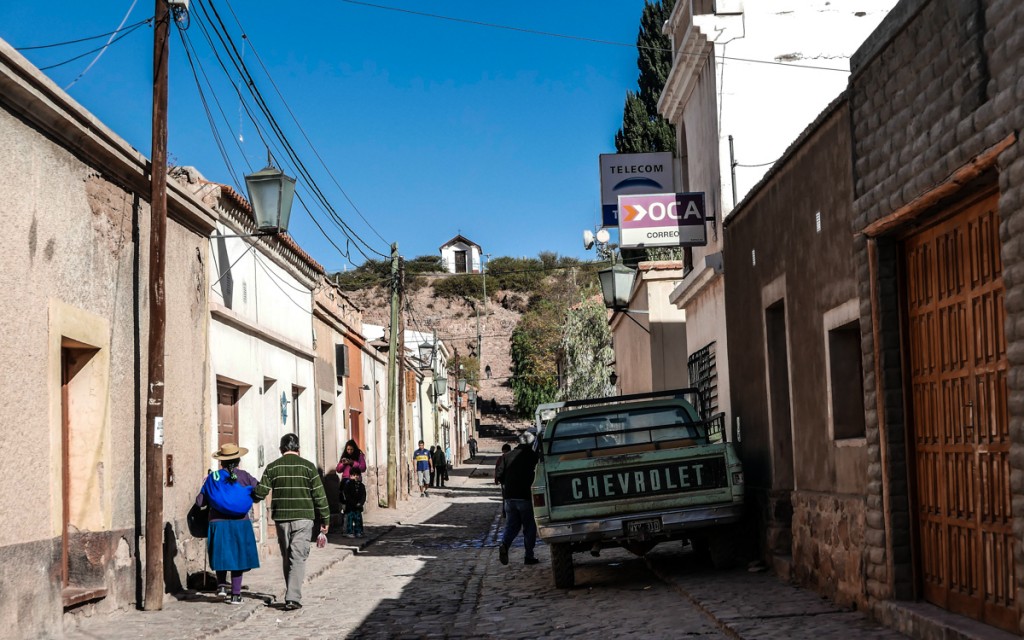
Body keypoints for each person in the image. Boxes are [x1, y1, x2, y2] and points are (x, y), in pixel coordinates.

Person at [252, 433, 330, 611]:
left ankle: (291, 593)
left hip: (281, 519)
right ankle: (293, 597)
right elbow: (320, 496)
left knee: (288, 555)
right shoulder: (308, 468)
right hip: (303, 518)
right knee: (298, 555)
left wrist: (245, 493)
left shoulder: (273, 468)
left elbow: (260, 493)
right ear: (298, 450)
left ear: (281, 450)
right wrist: (325, 519)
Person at [196, 443, 259, 605]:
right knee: (237, 558)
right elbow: (259, 492)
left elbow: (199, 502)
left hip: (218, 523)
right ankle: (236, 595)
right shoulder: (245, 476)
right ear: (238, 461)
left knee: (221, 554)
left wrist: (206, 487)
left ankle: (222, 586)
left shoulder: (213, 478)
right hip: (241, 523)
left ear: (221, 462)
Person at [496, 431, 540, 566]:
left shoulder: (507, 456)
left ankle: (505, 543)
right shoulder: (533, 456)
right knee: (529, 527)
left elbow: (499, 476)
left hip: (509, 498)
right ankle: (529, 556)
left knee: (511, 526)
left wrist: (508, 483)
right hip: (525, 497)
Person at [342, 472, 367, 537]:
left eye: (358, 475)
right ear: (350, 476)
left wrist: (360, 503)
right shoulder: (348, 485)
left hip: (358, 507)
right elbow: (347, 495)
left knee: (358, 520)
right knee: (350, 520)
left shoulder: (361, 486)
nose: (356, 477)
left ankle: (358, 532)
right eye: (354, 475)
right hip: (350, 506)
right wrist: (353, 503)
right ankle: (349, 532)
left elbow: (363, 496)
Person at [495, 442, 512, 519]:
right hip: (505, 481)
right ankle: (505, 512)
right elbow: (497, 469)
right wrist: (497, 479)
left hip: (506, 481)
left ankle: (506, 512)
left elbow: (498, 469)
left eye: (505, 451)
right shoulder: (502, 458)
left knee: (506, 497)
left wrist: (497, 479)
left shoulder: (502, 458)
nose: (504, 453)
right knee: (506, 497)